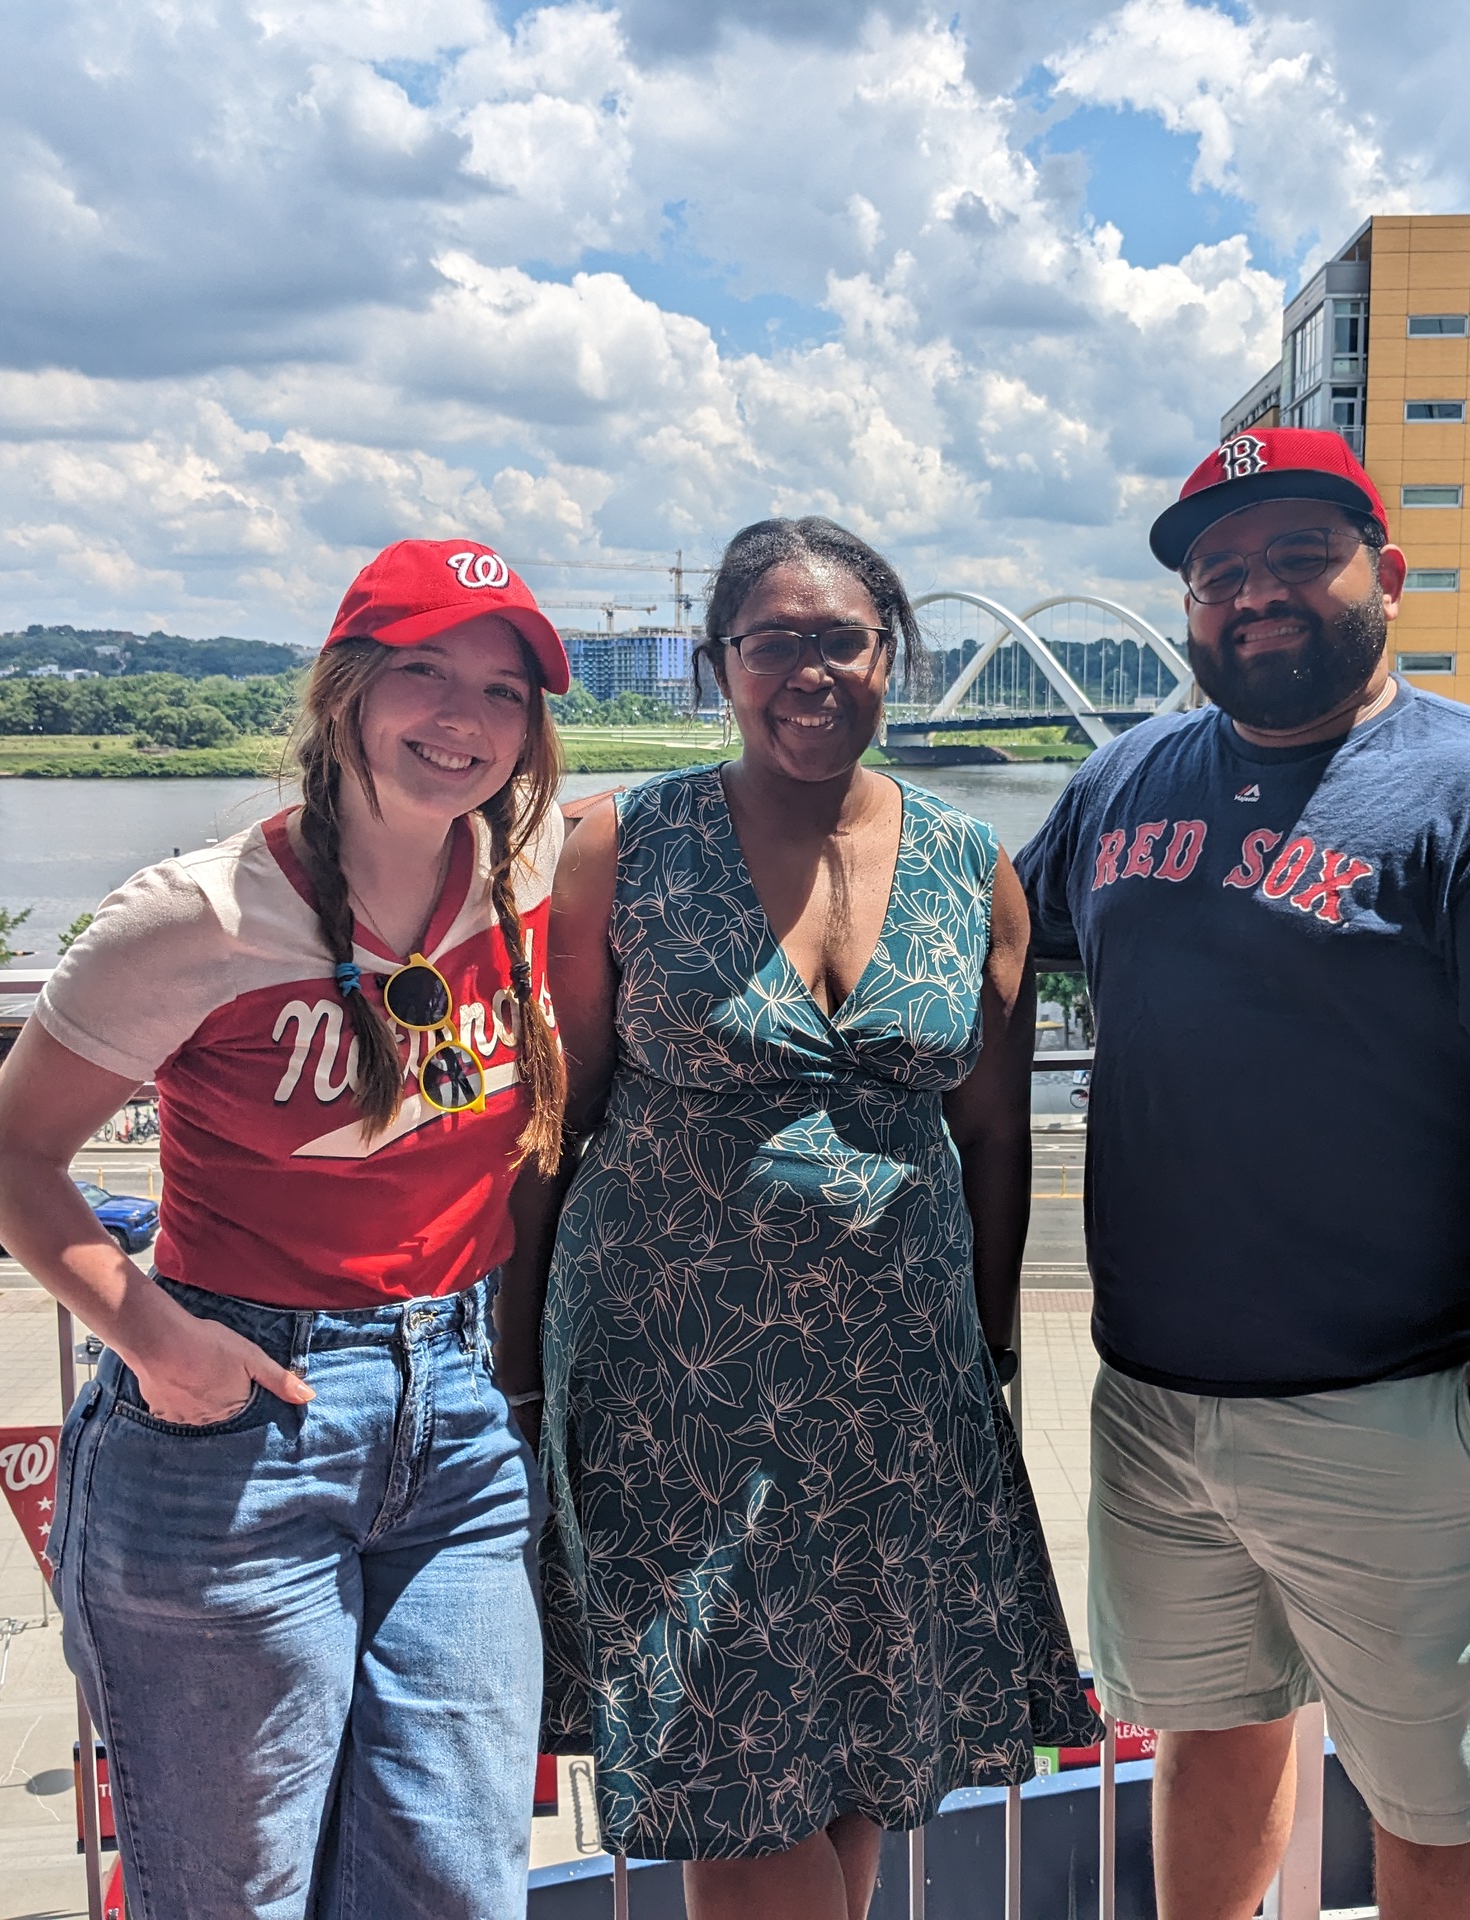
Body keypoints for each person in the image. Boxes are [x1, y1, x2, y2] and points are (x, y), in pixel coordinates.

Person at [1014, 428, 1470, 1920]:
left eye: (1298, 555)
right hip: (1159, 1409)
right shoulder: (1125, 783)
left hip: (1402, 1411)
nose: (1253, 593)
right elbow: (971, 954)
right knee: (1213, 1740)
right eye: (1216, 572)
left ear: (1388, 572)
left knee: (1437, 1802)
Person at [0, 538, 570, 1919]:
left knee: (459, 1881)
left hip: (458, 1426)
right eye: (422, 673)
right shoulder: (201, 913)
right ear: (345, 691)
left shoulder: (524, 881)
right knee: (234, 1893)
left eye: (503, 690)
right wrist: (159, 1343)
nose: (462, 720)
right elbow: (10, 1154)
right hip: (234, 1438)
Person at [514, 516, 1099, 1920]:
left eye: (842, 638)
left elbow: (995, 1135)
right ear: (722, 663)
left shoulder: (975, 867)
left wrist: (990, 1354)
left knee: (848, 1756)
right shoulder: (619, 845)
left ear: (892, 656)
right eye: (773, 640)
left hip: (895, 1389)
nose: (809, 669)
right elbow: (558, 1117)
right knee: (734, 1772)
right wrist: (517, 1362)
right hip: (679, 1388)